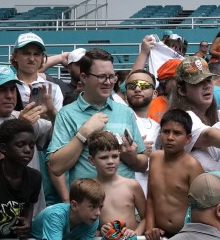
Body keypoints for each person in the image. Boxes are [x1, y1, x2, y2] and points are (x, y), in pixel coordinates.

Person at [45, 49, 149, 201]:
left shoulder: (125, 112)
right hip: (88, 213)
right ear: (83, 77)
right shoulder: (66, 114)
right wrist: (83, 133)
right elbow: (56, 167)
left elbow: (143, 163)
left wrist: (131, 157)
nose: (108, 82)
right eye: (101, 77)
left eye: (111, 76)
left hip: (125, 211)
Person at [147, 110, 204, 238]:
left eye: (177, 133)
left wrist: (192, 235)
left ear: (188, 138)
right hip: (158, 234)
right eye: (166, 131)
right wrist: (150, 227)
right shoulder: (155, 158)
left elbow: (201, 206)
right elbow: (151, 197)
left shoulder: (192, 166)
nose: (170, 137)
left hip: (187, 235)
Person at [88, 130, 150, 240]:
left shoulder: (132, 185)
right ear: (91, 160)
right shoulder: (88, 189)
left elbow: (146, 217)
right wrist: (98, 232)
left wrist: (136, 234)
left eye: (115, 156)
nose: (110, 161)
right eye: (104, 157)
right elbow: (83, 224)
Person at [10, 32, 62, 121]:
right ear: (15, 56)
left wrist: (50, 111)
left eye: (36, 54)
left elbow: (60, 127)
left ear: (42, 58)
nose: (32, 59)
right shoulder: (6, 86)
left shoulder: (53, 89)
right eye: (26, 53)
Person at [123, 68, 160, 192]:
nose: (138, 89)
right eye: (132, 85)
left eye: (144, 85)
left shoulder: (160, 127)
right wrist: (139, 150)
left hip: (150, 194)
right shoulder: (116, 119)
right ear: (125, 92)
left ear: (155, 93)